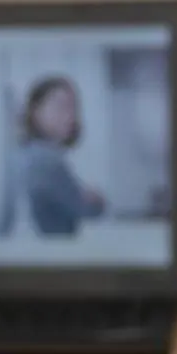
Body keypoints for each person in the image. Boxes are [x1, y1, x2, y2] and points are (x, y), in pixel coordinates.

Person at [18, 76, 106, 235]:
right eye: (60, 106)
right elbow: (87, 209)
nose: (69, 116)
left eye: (73, 107)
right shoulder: (46, 161)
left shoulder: (34, 154)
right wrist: (96, 200)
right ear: (36, 112)